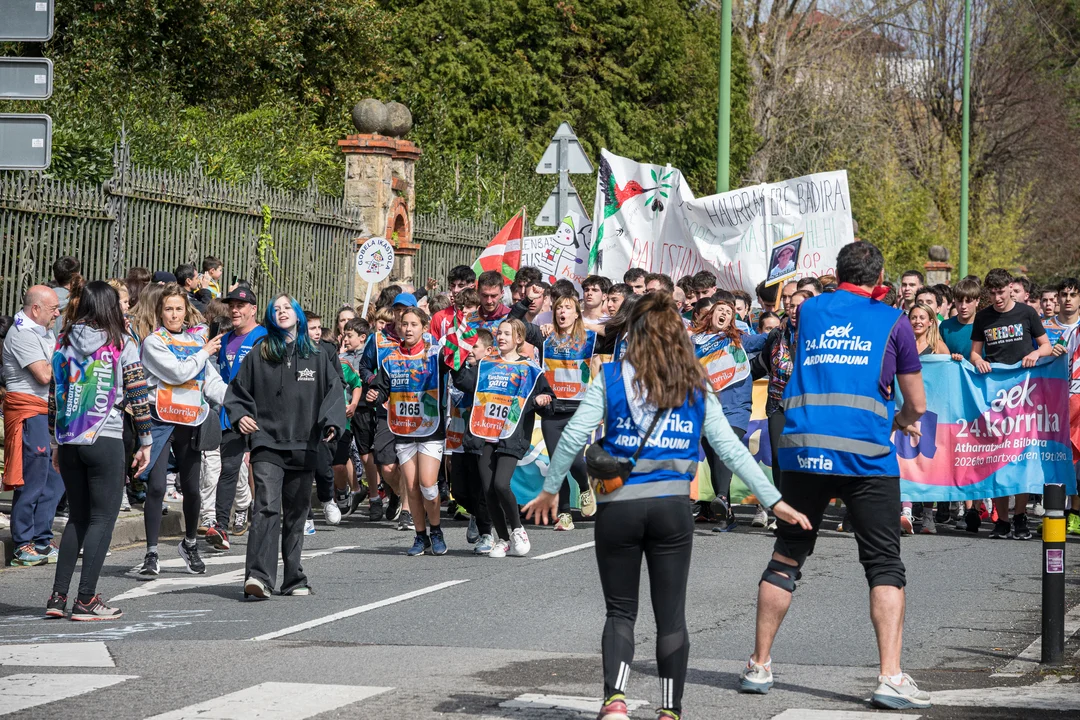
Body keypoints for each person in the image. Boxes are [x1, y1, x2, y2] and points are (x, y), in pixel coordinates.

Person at [523, 292, 809, 720]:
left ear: (634, 333)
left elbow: (574, 435)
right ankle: (669, 711)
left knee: (621, 612)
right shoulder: (695, 382)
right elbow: (731, 450)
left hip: (619, 505)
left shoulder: (613, 376)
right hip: (672, 508)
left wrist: (550, 489)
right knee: (671, 618)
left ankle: (615, 702)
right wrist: (774, 501)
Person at [740, 242, 930, 710]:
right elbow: (917, 403)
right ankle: (890, 677)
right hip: (867, 456)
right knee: (884, 564)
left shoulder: (809, 311)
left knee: (786, 555)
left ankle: (759, 665)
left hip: (804, 451)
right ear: (879, 277)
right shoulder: (894, 321)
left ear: (837, 272)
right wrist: (901, 419)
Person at [225, 295, 346, 599]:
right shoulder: (259, 353)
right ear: (270, 316)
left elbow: (335, 392)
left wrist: (332, 423)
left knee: (296, 513)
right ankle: (258, 577)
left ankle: (294, 578)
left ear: (298, 315)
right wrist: (240, 415)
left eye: (287, 307)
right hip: (266, 442)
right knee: (266, 505)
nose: (281, 312)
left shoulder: (318, 355)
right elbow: (237, 391)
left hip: (305, 444)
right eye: (276, 309)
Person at [47, 282, 153, 620]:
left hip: (69, 438)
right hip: (104, 436)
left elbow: (55, 395)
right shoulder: (121, 342)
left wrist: (55, 441)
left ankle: (57, 597)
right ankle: (86, 599)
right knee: (103, 519)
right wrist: (146, 441)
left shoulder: (63, 341)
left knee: (77, 518)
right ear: (110, 306)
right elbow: (137, 392)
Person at [134, 284, 226, 577]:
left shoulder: (196, 341)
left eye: (178, 309)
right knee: (157, 487)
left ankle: (190, 544)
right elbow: (177, 373)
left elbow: (210, 382)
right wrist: (205, 352)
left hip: (190, 420)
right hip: (160, 420)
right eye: (168, 309)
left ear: (186, 312)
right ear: (160, 312)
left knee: (192, 489)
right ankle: (151, 553)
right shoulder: (153, 342)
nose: (174, 314)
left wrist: (240, 402)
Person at [453, 318, 554, 558]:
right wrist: (454, 362)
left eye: (507, 334)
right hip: (485, 433)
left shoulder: (529, 368)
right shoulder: (486, 364)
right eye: (499, 333)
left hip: (511, 435)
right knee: (488, 490)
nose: (501, 337)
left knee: (500, 484)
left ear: (518, 339)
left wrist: (542, 400)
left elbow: (548, 398)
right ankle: (503, 539)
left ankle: (518, 529)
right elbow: (465, 382)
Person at [970, 268, 1052, 540]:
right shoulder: (983, 317)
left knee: (1021, 457)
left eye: (1001, 292)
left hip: (1025, 394)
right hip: (995, 396)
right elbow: (974, 353)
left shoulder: (1027, 313)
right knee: (998, 458)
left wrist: (1035, 354)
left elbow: (1046, 346)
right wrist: (978, 361)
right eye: (992, 293)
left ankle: (1020, 517)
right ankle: (1002, 520)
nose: (998, 298)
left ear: (1010, 288)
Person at [371, 306, 448, 556]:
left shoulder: (435, 355)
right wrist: (375, 395)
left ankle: (436, 530)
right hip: (404, 429)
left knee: (427, 484)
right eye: (404, 324)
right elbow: (382, 389)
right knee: (412, 487)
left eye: (414, 324)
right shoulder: (390, 359)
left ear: (424, 328)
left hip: (430, 429)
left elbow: (456, 359)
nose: (408, 329)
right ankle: (421, 536)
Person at [689, 293, 768, 530]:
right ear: (710, 315)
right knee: (715, 459)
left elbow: (764, 340)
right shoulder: (694, 342)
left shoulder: (738, 339)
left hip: (736, 408)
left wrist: (782, 330)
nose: (723, 314)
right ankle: (727, 516)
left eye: (729, 312)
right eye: (720, 310)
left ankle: (722, 498)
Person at [3, 286, 64, 566]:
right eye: (53, 309)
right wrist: (65, 360)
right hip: (29, 411)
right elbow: (44, 374)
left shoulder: (44, 330)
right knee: (34, 476)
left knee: (55, 476)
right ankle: (22, 543)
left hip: (48, 410)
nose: (58, 314)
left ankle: (42, 538)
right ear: (36, 309)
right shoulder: (22, 333)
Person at [204, 286, 264, 547]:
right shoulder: (225, 339)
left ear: (253, 309)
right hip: (231, 414)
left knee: (262, 470)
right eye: (232, 306)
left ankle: (264, 520)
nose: (235, 310)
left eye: (241, 306)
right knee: (228, 469)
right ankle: (220, 526)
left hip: (261, 417)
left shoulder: (265, 338)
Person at [541, 295, 598, 530]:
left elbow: (618, 330)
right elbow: (517, 325)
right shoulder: (545, 337)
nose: (562, 312)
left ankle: (584, 486)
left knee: (574, 461)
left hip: (578, 411)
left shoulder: (590, 338)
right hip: (551, 411)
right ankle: (564, 513)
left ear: (577, 314)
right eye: (558, 308)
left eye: (568, 308)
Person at [900, 303, 948, 535]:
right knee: (906, 459)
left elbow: (949, 372)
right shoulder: (903, 343)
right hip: (906, 408)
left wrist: (954, 359)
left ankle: (928, 515)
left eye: (922, 318)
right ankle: (906, 511)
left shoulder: (938, 346)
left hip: (931, 411)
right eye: (914, 317)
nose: (917, 321)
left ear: (931, 322)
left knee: (928, 461)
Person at [1043, 278, 1080, 345]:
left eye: (1073, 295)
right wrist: (1050, 351)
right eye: (1064, 295)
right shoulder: (1043, 327)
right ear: (1057, 298)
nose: (1068, 299)